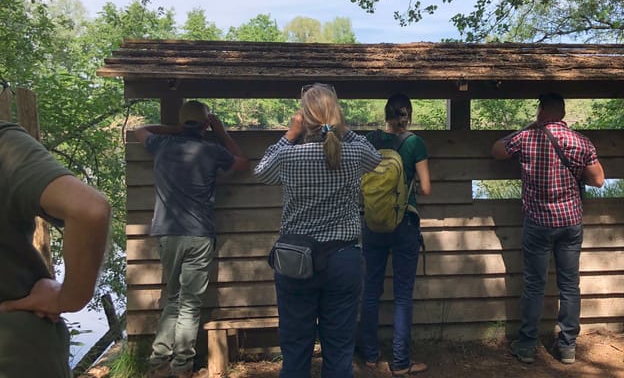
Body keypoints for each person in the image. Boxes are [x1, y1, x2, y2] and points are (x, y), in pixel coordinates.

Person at [254, 83, 381, 378]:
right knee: (339, 351)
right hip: (344, 259)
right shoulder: (352, 153)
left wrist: (289, 134)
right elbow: (375, 159)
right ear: (336, 114)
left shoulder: (289, 157)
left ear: (302, 116)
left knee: (296, 349)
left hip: (295, 261)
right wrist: (342, 128)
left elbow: (261, 171)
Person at [135, 100, 249, 378]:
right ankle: (182, 367)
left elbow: (140, 129)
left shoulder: (161, 145)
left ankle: (159, 361)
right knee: (189, 304)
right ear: (205, 124)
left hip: (167, 232)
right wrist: (221, 132)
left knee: (172, 299)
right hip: (199, 234)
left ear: (182, 122)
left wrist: (172, 129)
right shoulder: (212, 150)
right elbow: (243, 163)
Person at [491, 93, 604, 365]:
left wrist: (527, 127)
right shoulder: (581, 142)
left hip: (538, 222)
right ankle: (567, 347)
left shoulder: (527, 138)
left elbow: (496, 150)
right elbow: (599, 180)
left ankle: (527, 345)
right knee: (569, 285)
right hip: (570, 221)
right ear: (563, 113)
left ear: (541, 111)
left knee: (534, 284)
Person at [0, 120, 111, 377]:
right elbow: (89, 210)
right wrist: (69, 299)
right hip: (15, 353)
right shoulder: (5, 145)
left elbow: (143, 134)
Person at [358, 93, 431, 376]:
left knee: (371, 290)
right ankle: (401, 362)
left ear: (385, 114)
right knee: (402, 295)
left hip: (373, 222)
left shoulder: (369, 140)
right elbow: (425, 188)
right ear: (408, 115)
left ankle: (369, 357)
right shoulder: (415, 143)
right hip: (404, 225)